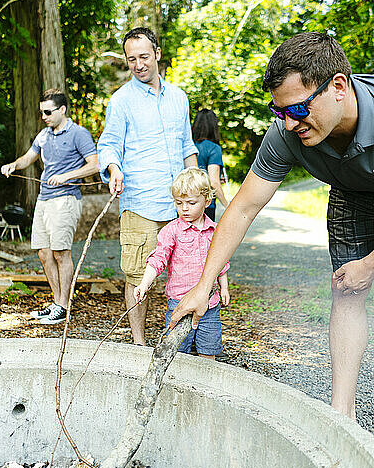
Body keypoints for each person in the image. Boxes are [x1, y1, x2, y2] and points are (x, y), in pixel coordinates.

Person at [170, 31, 374, 420]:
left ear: (338, 87)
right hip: (352, 191)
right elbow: (243, 208)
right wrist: (203, 285)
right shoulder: (286, 132)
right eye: (279, 111)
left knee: (361, 273)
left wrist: (369, 264)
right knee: (346, 290)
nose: (289, 122)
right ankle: (341, 416)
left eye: (297, 109)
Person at [97, 27, 198, 345]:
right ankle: (139, 343)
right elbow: (109, 145)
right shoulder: (121, 101)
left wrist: (199, 190)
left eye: (143, 56)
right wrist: (114, 169)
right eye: (131, 59)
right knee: (138, 275)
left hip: (180, 206)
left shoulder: (179, 98)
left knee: (187, 273)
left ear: (157, 53)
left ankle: (181, 341)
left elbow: (187, 147)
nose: (138, 64)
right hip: (140, 202)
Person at [1, 88, 98, 324]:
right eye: (41, 112)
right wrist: (13, 165)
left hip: (65, 199)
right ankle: (56, 303)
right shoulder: (44, 135)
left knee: (60, 253)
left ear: (62, 110)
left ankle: (64, 306)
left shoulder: (79, 134)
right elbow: (28, 157)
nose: (43, 116)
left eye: (47, 112)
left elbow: (95, 164)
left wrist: (67, 176)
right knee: (44, 253)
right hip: (44, 200)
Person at [134, 167, 230, 359]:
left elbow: (221, 262)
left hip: (209, 304)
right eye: (179, 203)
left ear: (207, 201)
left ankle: (204, 385)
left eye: (191, 203)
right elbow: (158, 258)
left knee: (208, 351)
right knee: (177, 351)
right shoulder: (172, 231)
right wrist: (144, 283)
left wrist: (224, 287)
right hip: (179, 302)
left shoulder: (215, 231)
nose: (185, 208)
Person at [192, 108, 229, 220]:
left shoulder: (189, 146)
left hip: (185, 203)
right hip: (206, 205)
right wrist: (227, 206)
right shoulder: (213, 148)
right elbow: (214, 182)